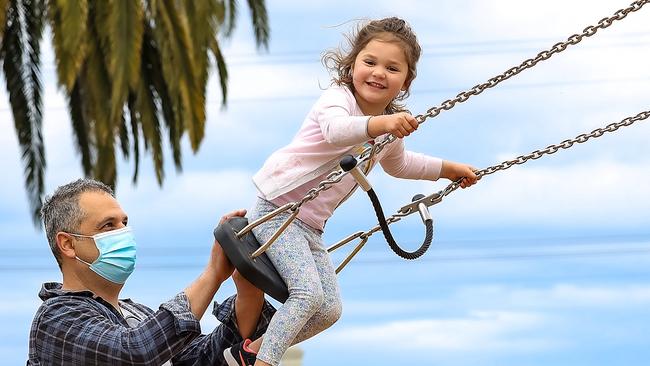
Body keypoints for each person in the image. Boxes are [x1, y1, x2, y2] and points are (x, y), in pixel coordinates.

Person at [224, 17, 480, 366]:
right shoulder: (338, 99)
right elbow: (335, 131)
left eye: (392, 68)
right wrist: (382, 123)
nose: (378, 73)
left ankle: (250, 351)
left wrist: (448, 170)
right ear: (353, 64)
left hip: (311, 227)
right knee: (307, 294)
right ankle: (264, 362)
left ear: (406, 81)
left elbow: (401, 165)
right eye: (370, 62)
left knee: (329, 309)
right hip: (279, 210)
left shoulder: (389, 128)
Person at [27, 178, 275, 365]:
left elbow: (204, 358)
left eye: (124, 223)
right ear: (68, 244)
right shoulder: (57, 318)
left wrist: (249, 289)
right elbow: (136, 353)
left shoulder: (138, 314)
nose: (123, 233)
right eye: (108, 226)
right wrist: (212, 275)